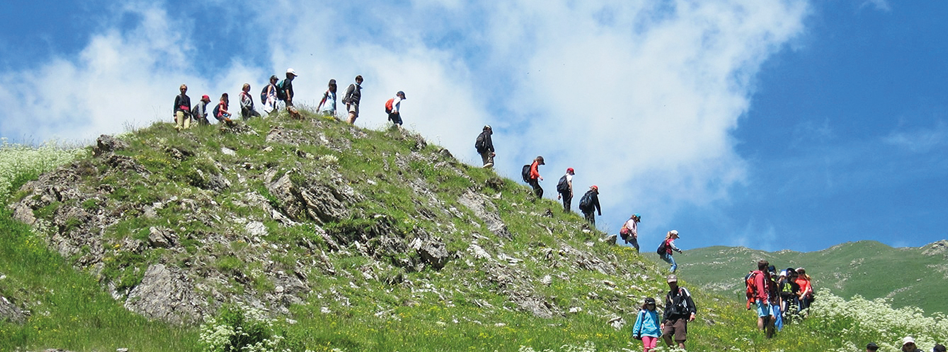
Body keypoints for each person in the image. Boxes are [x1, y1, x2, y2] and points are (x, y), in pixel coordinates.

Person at [660, 274, 696, 350]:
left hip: (680, 318)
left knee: (679, 339)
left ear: (676, 282)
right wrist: (663, 321)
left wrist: (692, 313)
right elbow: (667, 309)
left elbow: (689, 301)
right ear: (668, 283)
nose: (672, 284)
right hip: (670, 319)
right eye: (670, 283)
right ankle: (673, 350)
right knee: (665, 335)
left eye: (673, 282)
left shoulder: (682, 291)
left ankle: (681, 350)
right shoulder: (669, 295)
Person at [750, 260, 776, 338]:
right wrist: (764, 299)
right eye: (767, 266)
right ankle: (761, 335)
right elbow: (760, 289)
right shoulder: (759, 276)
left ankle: (768, 335)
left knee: (772, 317)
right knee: (762, 316)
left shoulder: (765, 275)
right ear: (765, 267)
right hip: (761, 299)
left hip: (767, 298)